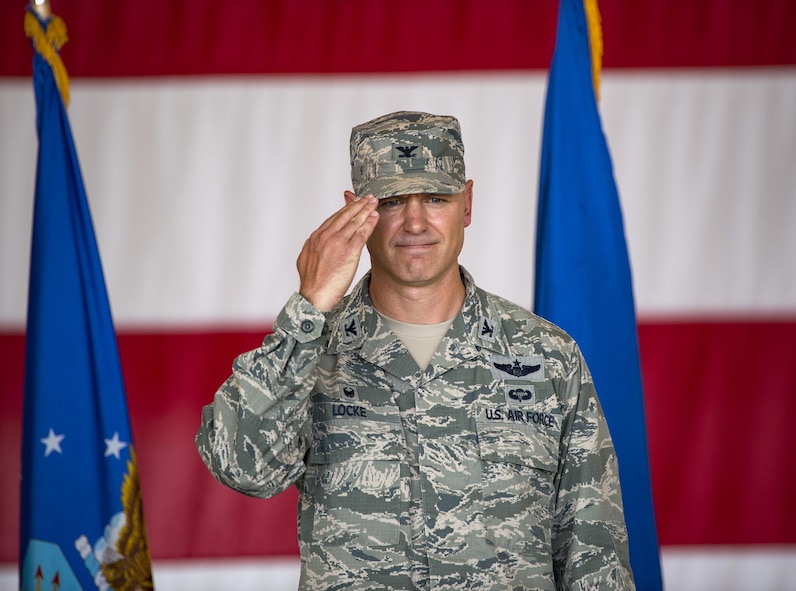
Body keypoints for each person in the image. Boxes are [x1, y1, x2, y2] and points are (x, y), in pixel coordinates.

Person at [195, 111, 636, 591]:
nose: (415, 222)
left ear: (467, 203)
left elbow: (594, 550)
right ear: (355, 212)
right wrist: (309, 308)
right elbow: (242, 467)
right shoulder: (310, 351)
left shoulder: (548, 357)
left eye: (435, 198)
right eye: (391, 201)